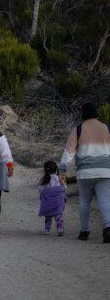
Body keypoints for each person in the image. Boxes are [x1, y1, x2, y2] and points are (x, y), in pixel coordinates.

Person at [60, 103, 110, 243]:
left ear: (83, 115)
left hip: (85, 172)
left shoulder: (78, 129)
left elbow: (68, 152)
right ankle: (108, 229)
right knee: (105, 201)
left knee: (84, 202)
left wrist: (63, 170)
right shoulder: (107, 128)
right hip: (105, 171)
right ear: (97, 114)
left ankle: (84, 231)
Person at [38, 161, 66, 236]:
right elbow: (64, 188)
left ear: (45, 170)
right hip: (58, 201)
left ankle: (47, 230)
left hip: (48, 201)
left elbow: (40, 189)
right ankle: (60, 228)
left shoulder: (44, 179)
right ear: (56, 169)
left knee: (48, 216)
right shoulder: (59, 178)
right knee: (58, 215)